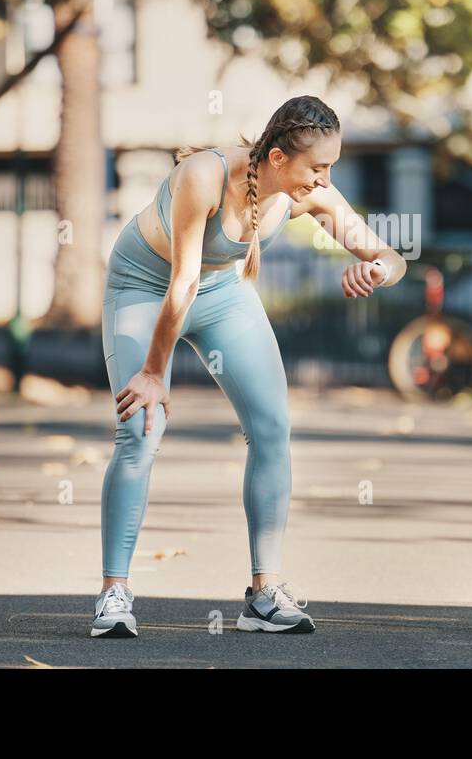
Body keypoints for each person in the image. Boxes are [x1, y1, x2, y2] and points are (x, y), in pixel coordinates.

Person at [91, 95, 406, 638]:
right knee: (141, 426)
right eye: (318, 166)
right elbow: (181, 282)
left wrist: (377, 269)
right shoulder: (203, 175)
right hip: (145, 287)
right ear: (279, 157)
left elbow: (391, 255)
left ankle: (264, 594)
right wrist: (151, 372)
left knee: (271, 427)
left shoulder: (306, 194)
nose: (325, 178)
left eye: (331, 166)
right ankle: (113, 592)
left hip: (222, 294)